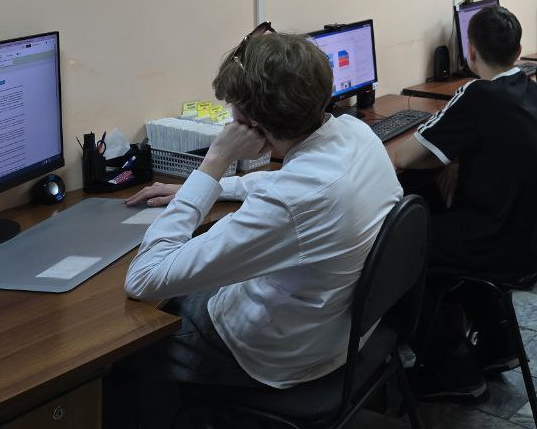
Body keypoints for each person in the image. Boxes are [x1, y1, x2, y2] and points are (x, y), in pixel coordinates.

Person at [109, 26, 402, 424]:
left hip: (277, 356)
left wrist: (213, 163)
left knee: (121, 344)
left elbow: (144, 278)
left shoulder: (292, 202)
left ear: (251, 123)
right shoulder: (355, 134)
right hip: (340, 332)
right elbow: (286, 182)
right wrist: (201, 189)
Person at [389, 5, 537, 403]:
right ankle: (499, 343)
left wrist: (447, 153)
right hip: (534, 235)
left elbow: (402, 157)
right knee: (436, 213)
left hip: (497, 240)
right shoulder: (536, 91)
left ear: (470, 53)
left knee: (399, 249)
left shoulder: (478, 95)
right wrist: (455, 157)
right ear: (519, 50)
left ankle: (453, 369)